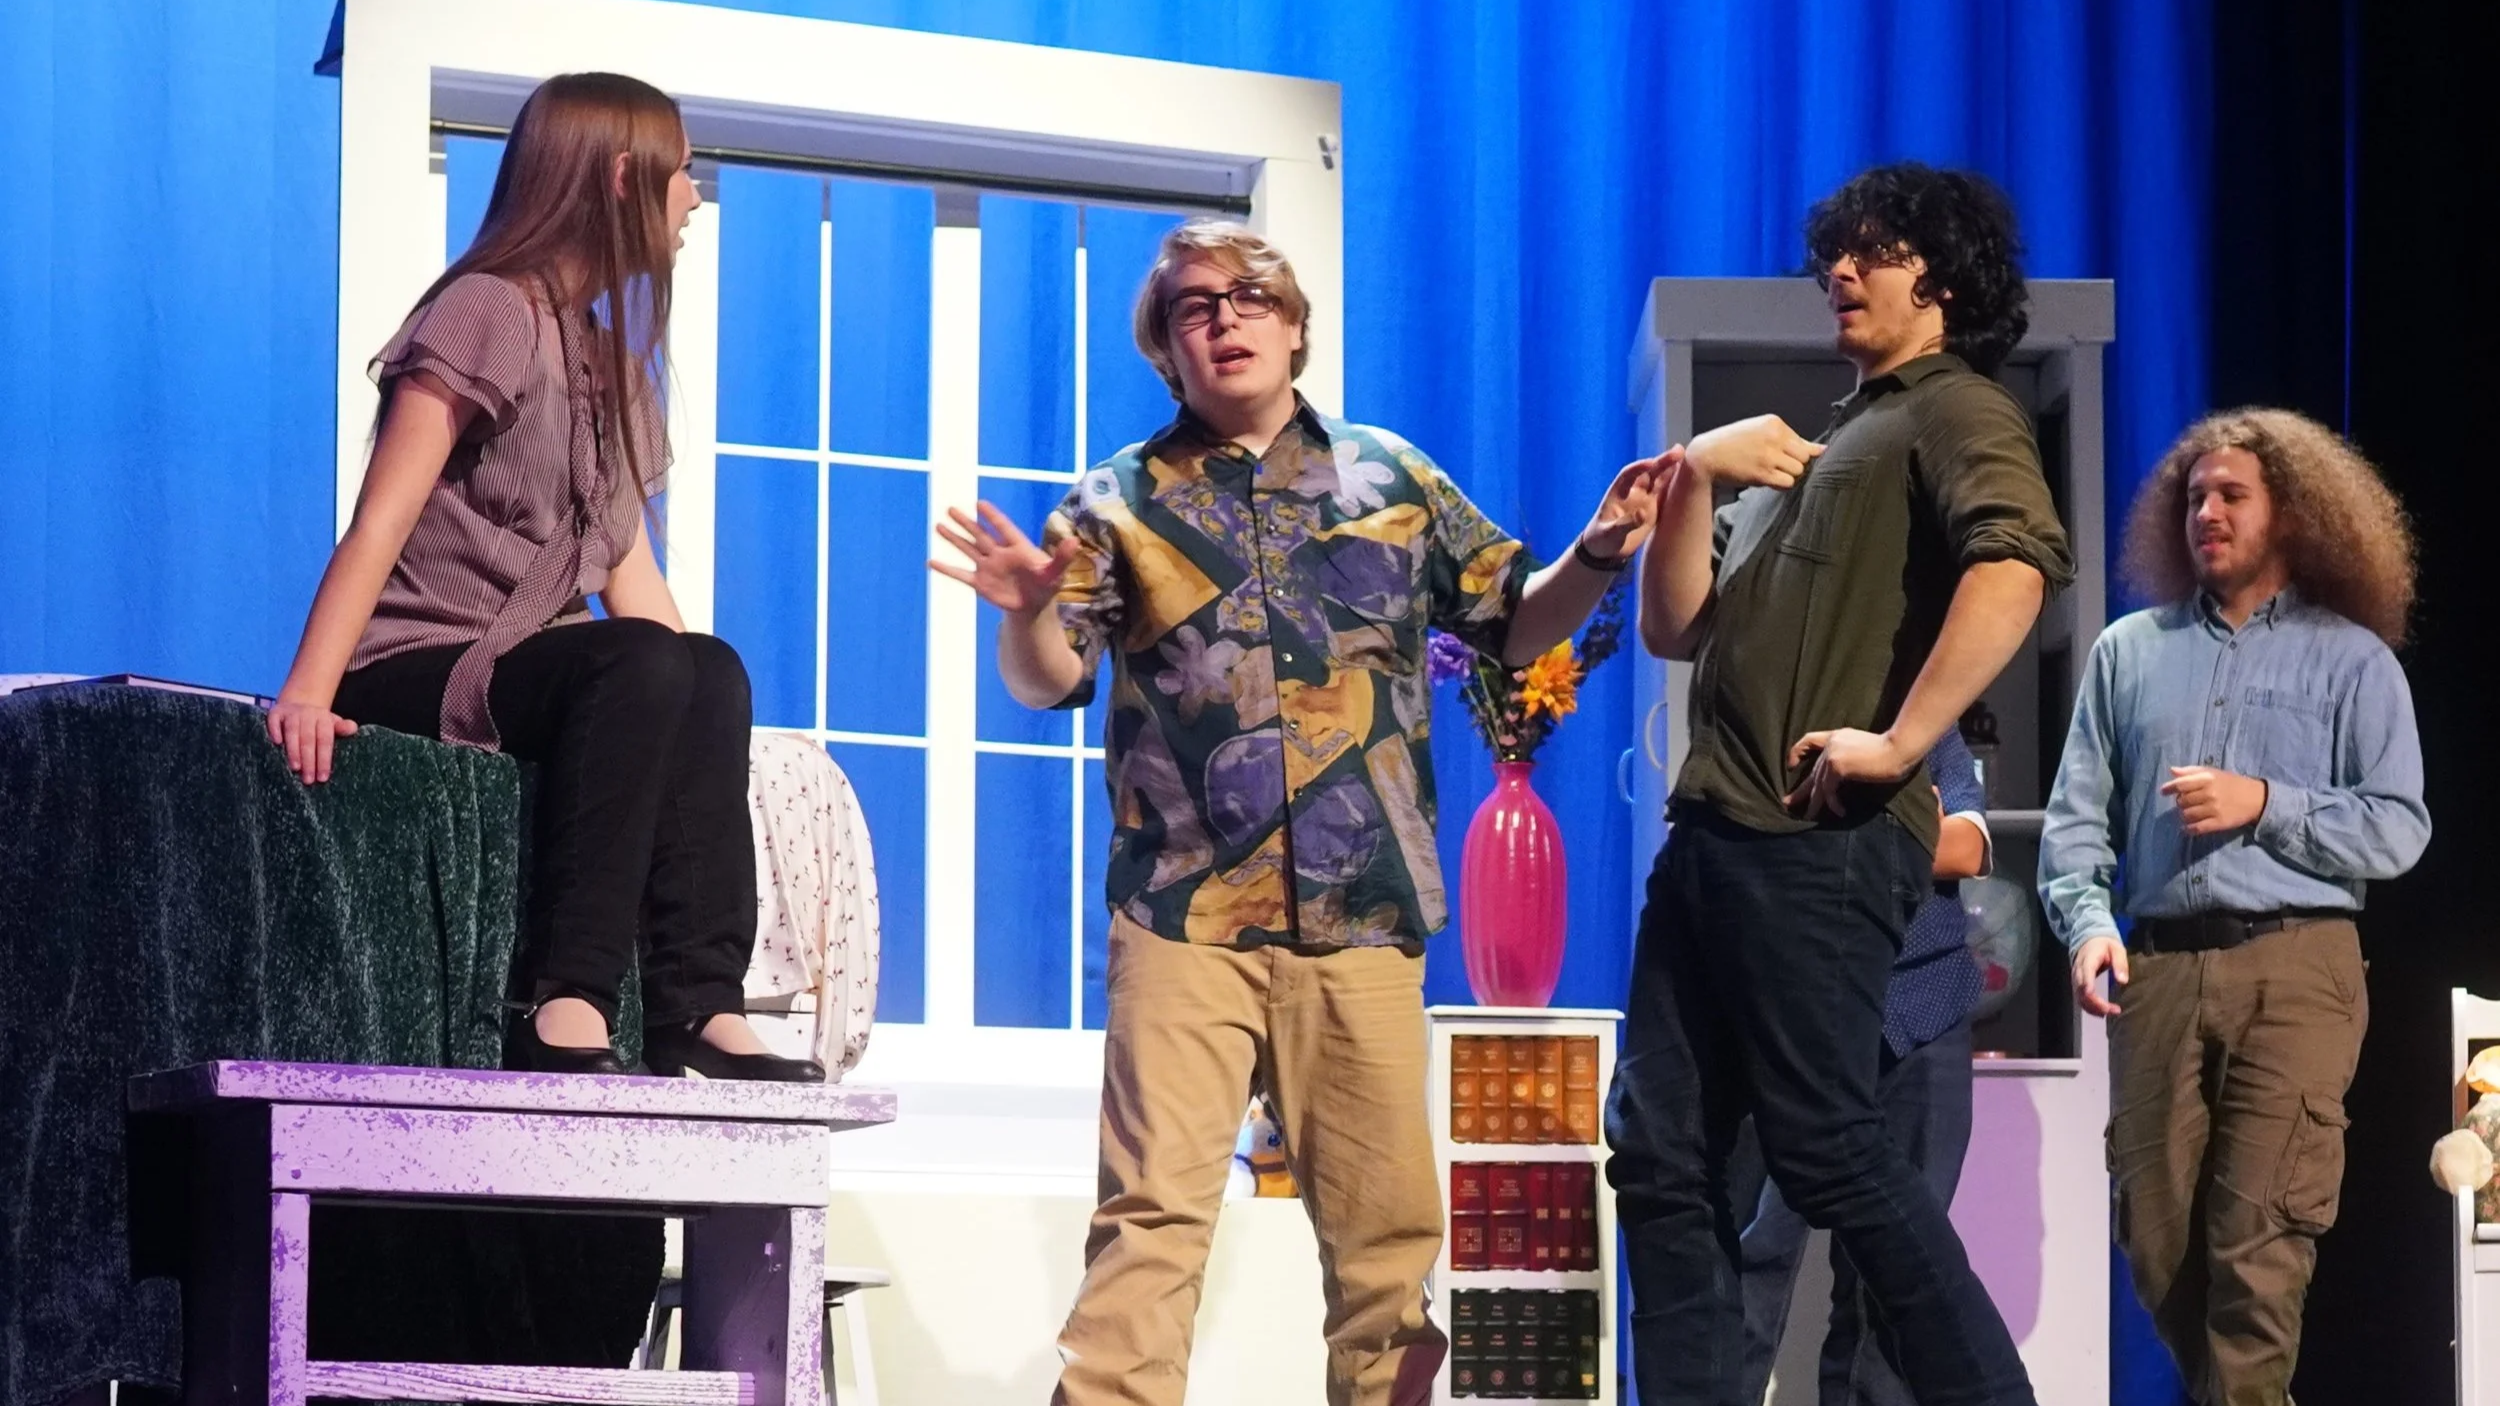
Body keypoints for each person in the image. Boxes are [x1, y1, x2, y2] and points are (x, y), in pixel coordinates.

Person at [928, 219, 1663, 1406]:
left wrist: (1597, 548)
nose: (1221, 318)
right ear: (1165, 347)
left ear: (1294, 323)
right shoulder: (1113, 497)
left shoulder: (1391, 475)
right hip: (1182, 915)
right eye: (1191, 307)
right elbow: (1051, 680)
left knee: (1385, 1252)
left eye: (1245, 297)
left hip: (1363, 912)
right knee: (1149, 1227)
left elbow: (1508, 626)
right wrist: (1022, 608)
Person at [1615, 161, 2072, 1406]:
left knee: (1824, 1142)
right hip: (1709, 836)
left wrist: (1902, 740)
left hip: (1811, 841)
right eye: (1838, 251)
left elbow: (2016, 567)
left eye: (1872, 250)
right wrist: (1694, 478)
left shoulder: (1956, 409)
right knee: (1657, 1153)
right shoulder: (1815, 452)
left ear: (1942, 277)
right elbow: (1676, 625)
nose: (1841, 270)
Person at [264, 72, 819, 1083]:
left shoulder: (611, 360)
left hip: (542, 662)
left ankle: (700, 1005)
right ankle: (562, 994)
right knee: (648, 662)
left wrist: (705, 702)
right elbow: (380, 519)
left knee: (707, 665)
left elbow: (628, 569)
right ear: (620, 178)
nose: (695, 195)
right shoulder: (486, 309)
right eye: (681, 171)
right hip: (418, 657)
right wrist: (308, 687)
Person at [2040, 408, 2427, 1404]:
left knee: (2257, 1248)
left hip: (2297, 967)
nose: (2204, 511)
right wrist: (2086, 927)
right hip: (2159, 966)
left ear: (2289, 515)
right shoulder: (2128, 653)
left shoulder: (2353, 663)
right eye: (2192, 496)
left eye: (2230, 495)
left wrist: (2266, 803)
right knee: (2158, 1242)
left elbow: (2397, 828)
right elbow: (2075, 819)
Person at [1727, 727, 1992, 1406]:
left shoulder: (1929, 720)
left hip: (1921, 1013)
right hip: (1790, 1023)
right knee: (1747, 1258)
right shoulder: (1773, 709)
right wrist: (1905, 824)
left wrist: (1849, 822)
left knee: (1897, 1280)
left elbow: (1966, 848)